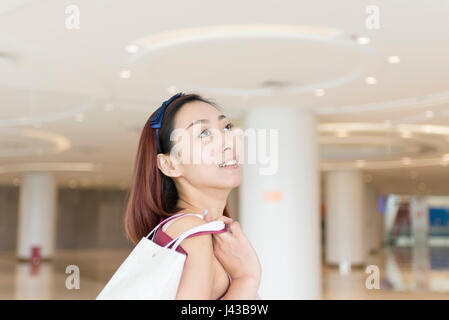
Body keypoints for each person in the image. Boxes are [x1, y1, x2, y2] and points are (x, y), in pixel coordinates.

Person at [124, 92, 261, 299]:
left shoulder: (198, 229)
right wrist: (246, 278)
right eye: (204, 133)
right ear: (169, 164)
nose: (227, 142)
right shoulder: (192, 232)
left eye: (226, 128)